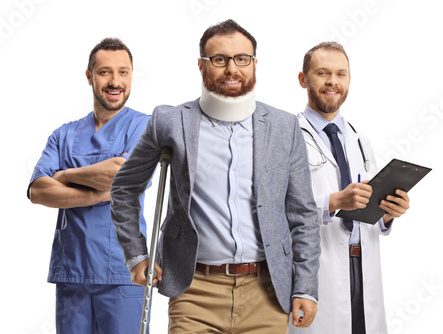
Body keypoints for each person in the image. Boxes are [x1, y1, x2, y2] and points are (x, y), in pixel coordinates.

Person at [110, 19, 321, 333]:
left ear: (254, 64)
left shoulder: (284, 126)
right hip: (194, 290)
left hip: (266, 291)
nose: (232, 69)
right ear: (201, 65)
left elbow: (303, 213)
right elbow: (125, 189)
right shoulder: (169, 122)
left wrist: (305, 286)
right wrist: (137, 255)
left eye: (242, 59)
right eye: (219, 60)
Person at [28, 38, 151, 334]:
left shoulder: (143, 126)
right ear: (89, 76)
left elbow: (120, 174)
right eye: (105, 72)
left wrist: (64, 174)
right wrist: (97, 194)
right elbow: (38, 191)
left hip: (124, 272)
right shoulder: (64, 134)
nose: (115, 81)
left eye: (123, 72)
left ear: (132, 75)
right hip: (72, 272)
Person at [289, 42, 411, 334]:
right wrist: (333, 201)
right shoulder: (287, 137)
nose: (333, 81)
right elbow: (275, 208)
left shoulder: (360, 140)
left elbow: (369, 207)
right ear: (303, 80)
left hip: (362, 266)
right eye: (323, 73)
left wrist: (389, 212)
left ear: (349, 81)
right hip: (318, 271)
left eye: (341, 74)